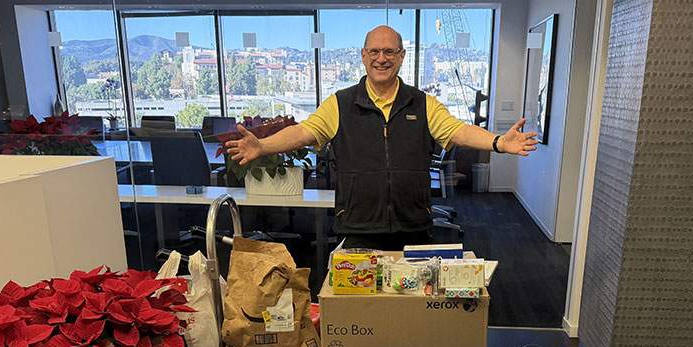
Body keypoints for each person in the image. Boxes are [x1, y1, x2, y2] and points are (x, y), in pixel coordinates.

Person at [226, 25, 538, 250]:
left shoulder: (423, 103)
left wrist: (499, 142)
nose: (381, 58)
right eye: (374, 51)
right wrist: (263, 145)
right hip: (359, 227)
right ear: (363, 56)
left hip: (413, 224)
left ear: (401, 56)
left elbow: (459, 130)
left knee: (412, 319)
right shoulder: (341, 103)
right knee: (362, 318)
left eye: (389, 51)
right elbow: (304, 132)